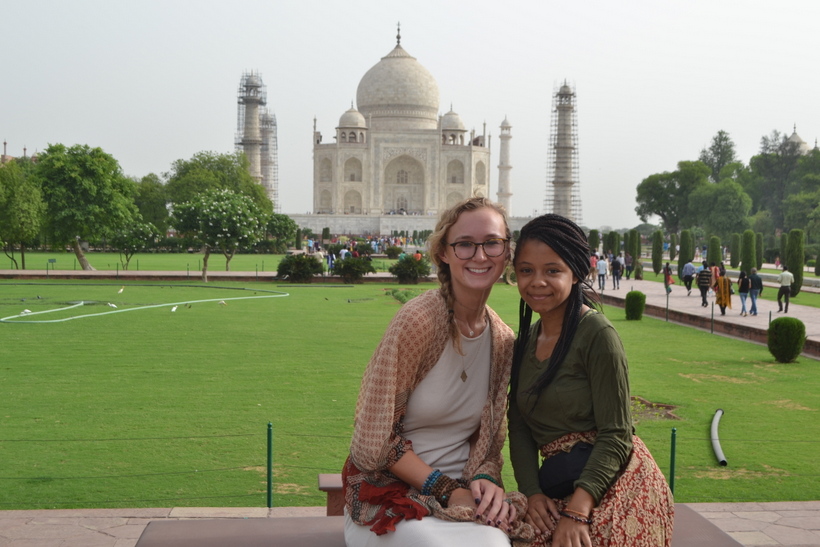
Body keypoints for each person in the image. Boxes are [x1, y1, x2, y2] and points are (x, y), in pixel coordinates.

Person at [343, 197, 520, 546]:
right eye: (465, 244)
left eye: (492, 243)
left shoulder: (502, 341)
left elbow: (486, 445)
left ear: (507, 252)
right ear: (443, 252)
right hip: (392, 500)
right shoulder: (419, 321)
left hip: (463, 498)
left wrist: (486, 481)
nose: (480, 255)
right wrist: (446, 490)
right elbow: (374, 440)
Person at [508, 214, 674, 547]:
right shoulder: (524, 342)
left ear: (576, 273)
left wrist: (578, 512)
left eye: (552, 270)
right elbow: (519, 425)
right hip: (559, 481)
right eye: (526, 270)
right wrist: (532, 493)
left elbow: (617, 432)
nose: (537, 281)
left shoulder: (596, 334)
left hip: (613, 482)